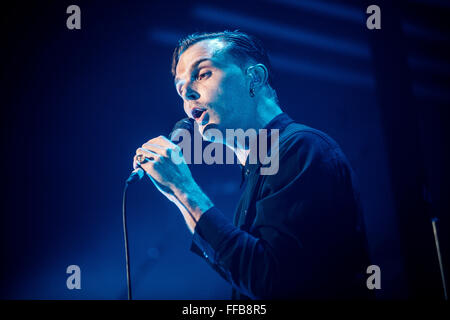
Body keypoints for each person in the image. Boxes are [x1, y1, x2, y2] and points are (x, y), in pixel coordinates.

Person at [133, 30, 373, 299]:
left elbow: (273, 282)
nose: (187, 93)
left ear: (255, 78)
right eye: (180, 88)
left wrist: (183, 189)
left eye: (202, 74)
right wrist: (176, 192)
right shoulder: (258, 170)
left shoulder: (302, 147)